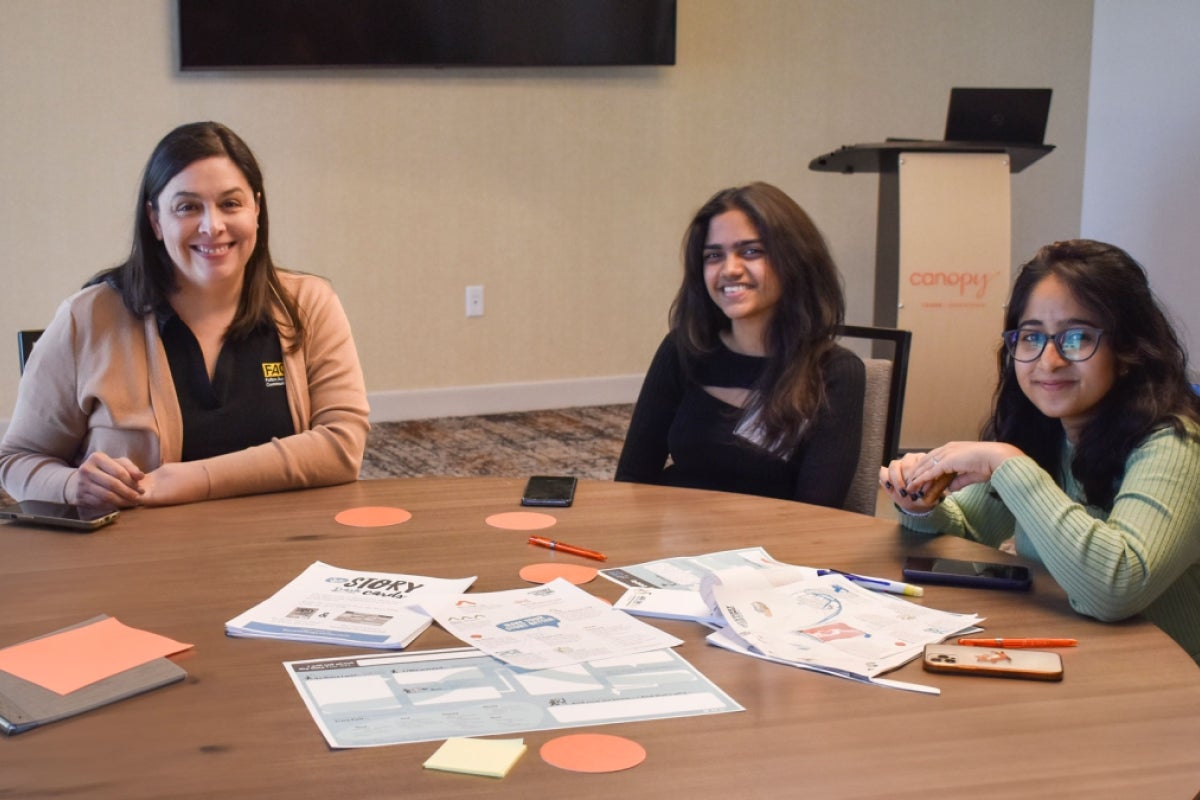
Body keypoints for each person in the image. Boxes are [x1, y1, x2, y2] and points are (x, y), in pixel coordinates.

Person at [0, 122, 370, 508]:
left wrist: (198, 478)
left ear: (256, 209)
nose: (213, 226)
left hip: (285, 548)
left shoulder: (309, 303)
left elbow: (342, 446)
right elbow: (17, 461)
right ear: (156, 220)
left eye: (231, 203)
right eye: (187, 207)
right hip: (144, 557)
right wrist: (73, 485)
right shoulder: (87, 317)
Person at [881, 240, 1200, 664]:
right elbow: (972, 531)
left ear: (1127, 350)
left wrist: (1007, 464)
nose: (1048, 361)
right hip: (1075, 659)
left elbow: (1114, 588)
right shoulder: (1048, 428)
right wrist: (921, 502)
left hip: (1163, 689)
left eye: (1077, 337)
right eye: (1031, 337)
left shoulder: (1175, 444)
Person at [615, 182, 865, 507]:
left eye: (751, 251)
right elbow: (633, 480)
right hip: (673, 542)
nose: (729, 270)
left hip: (769, 551)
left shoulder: (835, 372)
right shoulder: (684, 348)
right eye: (714, 255)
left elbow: (818, 515)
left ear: (795, 260)